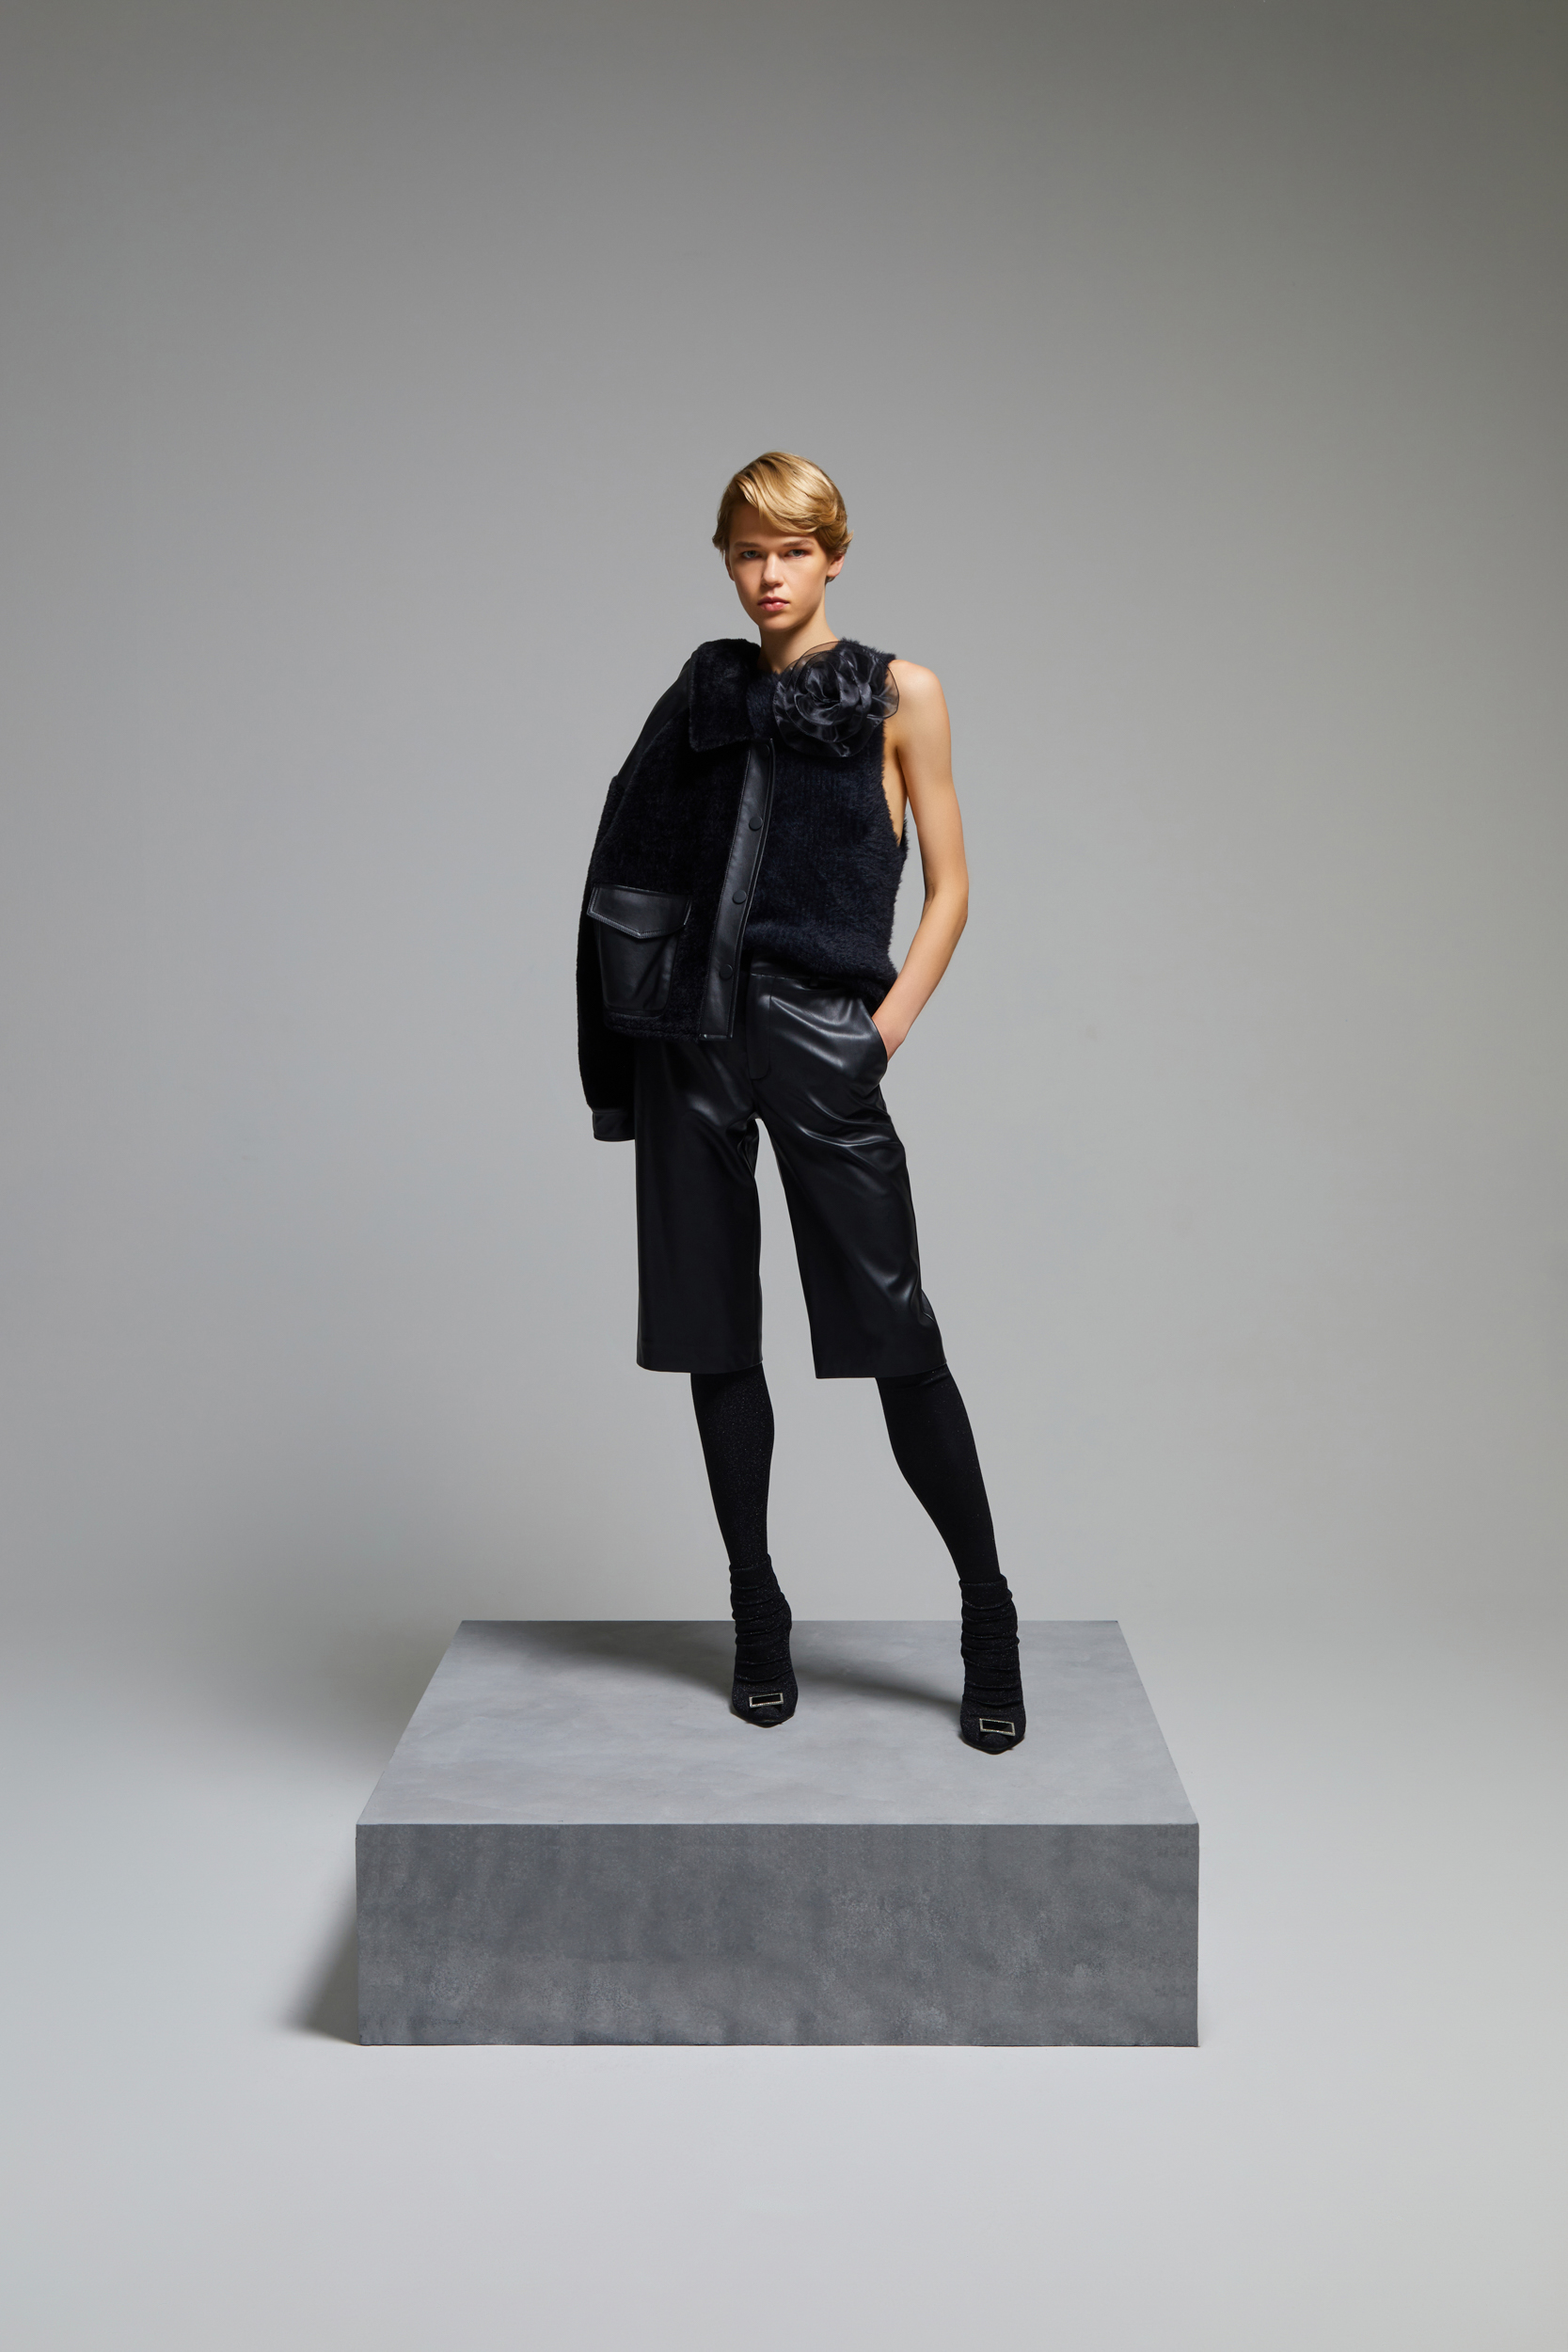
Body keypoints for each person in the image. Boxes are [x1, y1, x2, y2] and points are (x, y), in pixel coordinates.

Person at [576, 452, 1024, 1753]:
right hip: (690, 1034)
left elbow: (950, 886)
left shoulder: (899, 692)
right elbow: (622, 853)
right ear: (727, 560)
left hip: (823, 1035)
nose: (768, 577)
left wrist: (879, 1035)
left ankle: (987, 1612)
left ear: (833, 555)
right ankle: (757, 1609)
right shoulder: (704, 695)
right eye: (746, 553)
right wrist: (628, 1033)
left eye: (791, 551)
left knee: (897, 1335)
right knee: (717, 1334)